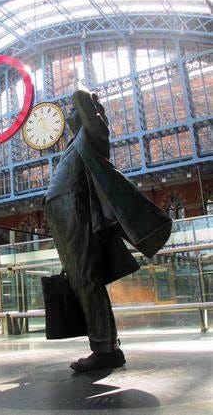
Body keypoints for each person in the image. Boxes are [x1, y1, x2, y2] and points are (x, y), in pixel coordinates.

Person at [44, 90, 172, 372]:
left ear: (93, 112)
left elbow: (82, 101)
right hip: (65, 217)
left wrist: (84, 94)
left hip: (75, 212)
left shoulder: (94, 134)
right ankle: (106, 346)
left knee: (86, 280)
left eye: (75, 112)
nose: (69, 116)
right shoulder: (76, 143)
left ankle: (104, 349)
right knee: (81, 280)